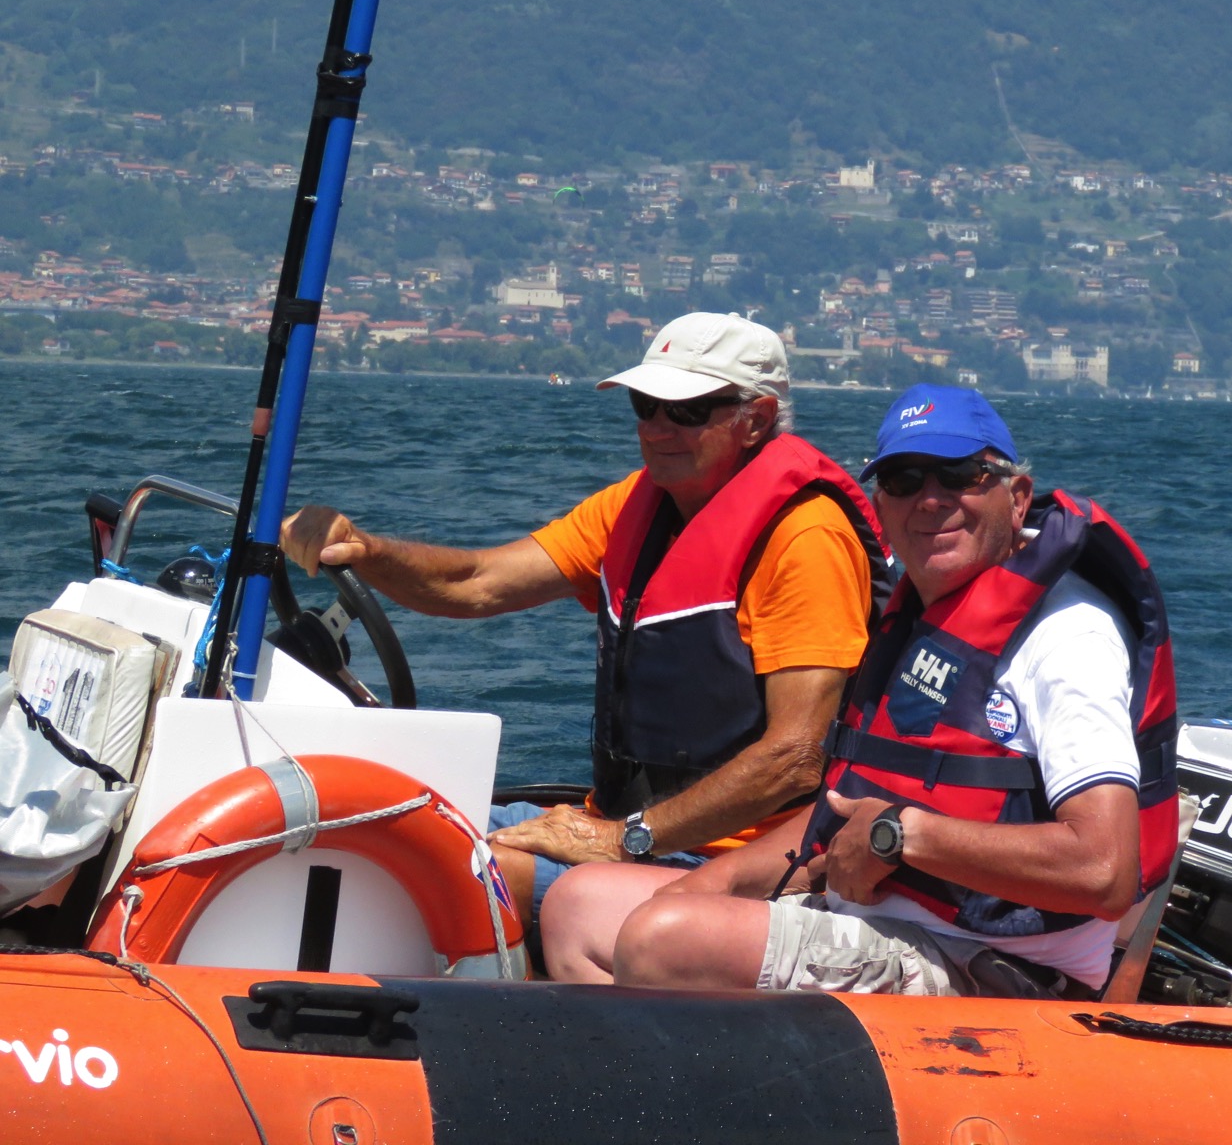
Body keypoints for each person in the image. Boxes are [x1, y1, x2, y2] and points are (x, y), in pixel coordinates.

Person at [539, 384, 1180, 997]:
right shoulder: (921, 621)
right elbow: (844, 806)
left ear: (1017, 498)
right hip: (868, 918)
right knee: (578, 905)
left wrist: (899, 836)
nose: (930, 500)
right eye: (904, 481)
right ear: (881, 508)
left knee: (664, 938)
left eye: (960, 475)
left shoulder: (1068, 636)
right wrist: (719, 880)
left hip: (989, 963)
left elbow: (1103, 869)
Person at [280, 312, 890, 933]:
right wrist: (366, 549)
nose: (655, 428)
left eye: (685, 411)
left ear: (756, 419)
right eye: (645, 405)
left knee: (447, 865)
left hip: (726, 861)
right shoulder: (634, 505)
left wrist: (621, 840)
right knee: (375, 823)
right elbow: (476, 584)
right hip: (623, 828)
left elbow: (794, 756)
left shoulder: (806, 539)